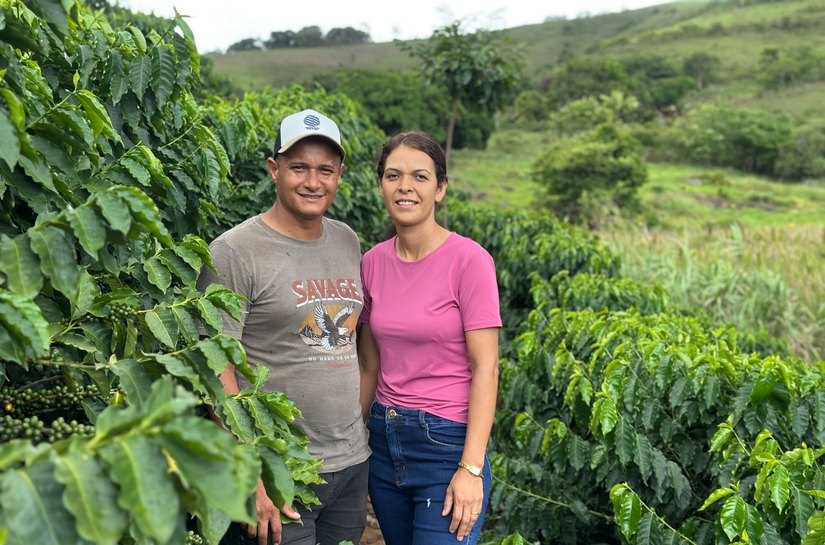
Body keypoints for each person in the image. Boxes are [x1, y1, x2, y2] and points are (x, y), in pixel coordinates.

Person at [197, 108, 370, 545]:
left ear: (339, 175)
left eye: (325, 170)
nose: (313, 182)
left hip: (350, 466)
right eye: (298, 168)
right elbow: (215, 368)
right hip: (277, 470)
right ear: (274, 169)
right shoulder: (235, 251)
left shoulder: (347, 240)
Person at [357, 131, 501, 545]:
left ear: (440, 189)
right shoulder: (371, 263)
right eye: (393, 176)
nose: (405, 187)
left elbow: (487, 367)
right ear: (381, 185)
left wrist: (470, 468)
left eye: (420, 177)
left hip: (445, 445)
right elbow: (369, 365)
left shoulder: (469, 261)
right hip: (384, 441)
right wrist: (352, 440)